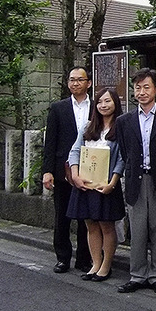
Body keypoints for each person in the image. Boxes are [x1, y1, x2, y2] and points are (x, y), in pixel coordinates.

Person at [115, 68, 156, 294]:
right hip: (136, 179)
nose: (141, 92)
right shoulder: (124, 121)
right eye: (137, 87)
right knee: (138, 229)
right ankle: (137, 275)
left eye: (146, 87)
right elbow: (125, 152)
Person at [67, 87, 125, 281]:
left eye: (107, 101)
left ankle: (106, 266)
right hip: (85, 183)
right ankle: (95, 264)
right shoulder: (88, 126)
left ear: (115, 103)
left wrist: (113, 182)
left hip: (107, 185)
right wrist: (75, 175)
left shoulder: (121, 127)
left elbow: (122, 159)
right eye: (100, 102)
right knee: (90, 225)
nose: (103, 105)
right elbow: (75, 151)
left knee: (107, 226)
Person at [42, 66, 92, 273]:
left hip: (89, 168)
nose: (75, 83)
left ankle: (84, 259)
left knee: (86, 217)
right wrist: (47, 171)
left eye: (79, 80)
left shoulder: (97, 105)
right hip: (63, 170)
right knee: (62, 216)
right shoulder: (58, 108)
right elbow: (50, 142)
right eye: (72, 80)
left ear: (88, 83)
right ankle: (63, 258)